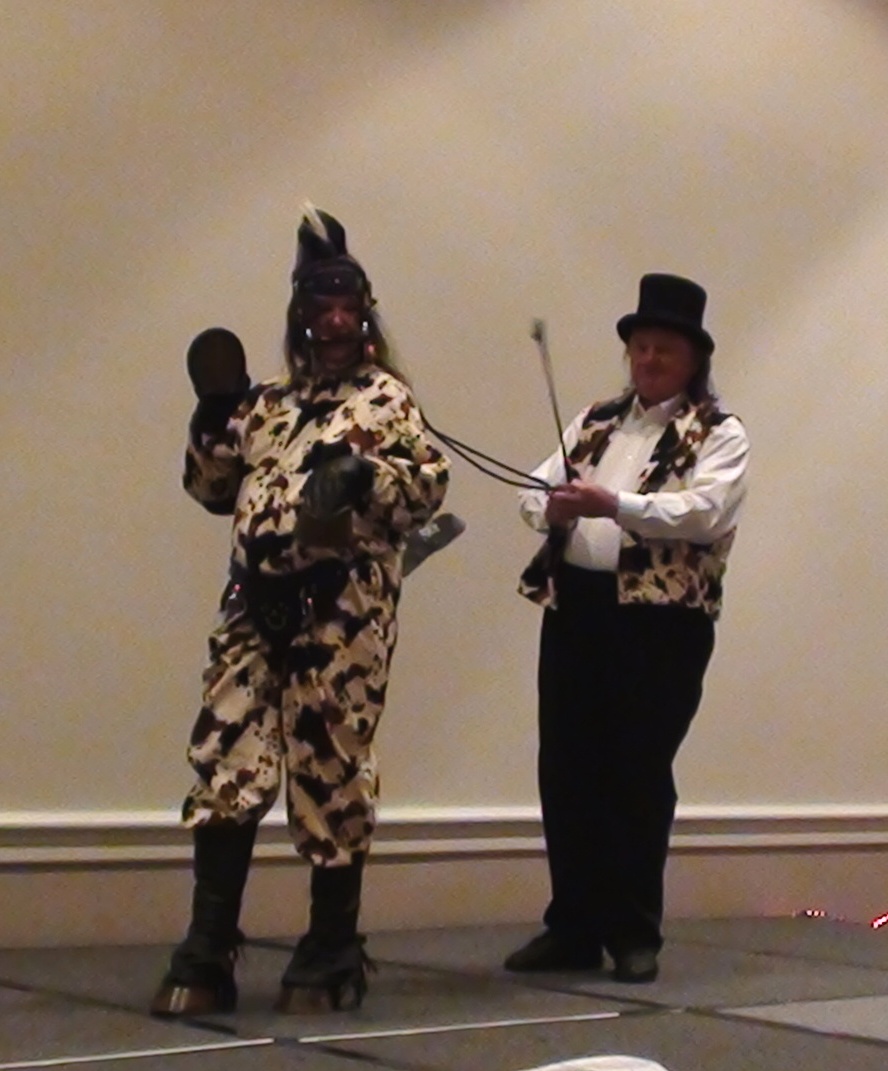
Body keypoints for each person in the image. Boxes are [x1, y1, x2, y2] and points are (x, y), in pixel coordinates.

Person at [150, 205, 450, 1017]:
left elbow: (427, 487)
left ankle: (331, 944)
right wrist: (213, 414)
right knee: (225, 758)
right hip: (253, 608)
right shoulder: (269, 405)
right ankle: (209, 940)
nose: (335, 322)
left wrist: (365, 477)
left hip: (339, 610)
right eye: (320, 307)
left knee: (331, 766)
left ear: (366, 315)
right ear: (299, 317)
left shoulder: (387, 400)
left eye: (347, 307)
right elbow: (211, 488)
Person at [506, 273, 749, 983]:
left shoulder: (719, 433)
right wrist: (550, 507)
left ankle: (633, 930)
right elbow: (533, 489)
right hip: (577, 609)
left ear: (693, 360)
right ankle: (573, 925)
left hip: (660, 623)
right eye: (640, 347)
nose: (648, 360)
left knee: (637, 772)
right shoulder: (596, 420)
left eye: (663, 350)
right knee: (566, 767)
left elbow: (703, 513)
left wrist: (614, 504)